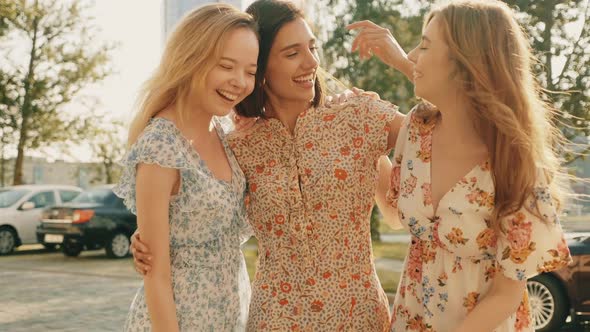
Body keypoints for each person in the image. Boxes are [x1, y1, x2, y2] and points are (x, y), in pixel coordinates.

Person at [131, 0, 408, 330]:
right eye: (292, 54)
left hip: (357, 317)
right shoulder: (238, 143)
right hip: (272, 319)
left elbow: (448, 135)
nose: (311, 62)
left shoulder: (357, 116)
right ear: (262, 70)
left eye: (312, 48)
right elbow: (201, 205)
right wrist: (153, 236)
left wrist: (405, 63)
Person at [348, 1, 572, 331]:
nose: (411, 56)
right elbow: (396, 215)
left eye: (424, 45)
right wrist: (367, 143)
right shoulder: (416, 129)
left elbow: (507, 293)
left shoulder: (514, 162)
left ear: (467, 63)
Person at [113, 4, 259, 331]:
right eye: (226, 66)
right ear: (191, 58)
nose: (239, 82)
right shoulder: (161, 145)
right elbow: (157, 276)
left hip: (229, 315)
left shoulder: (222, 132)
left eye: (250, 71)